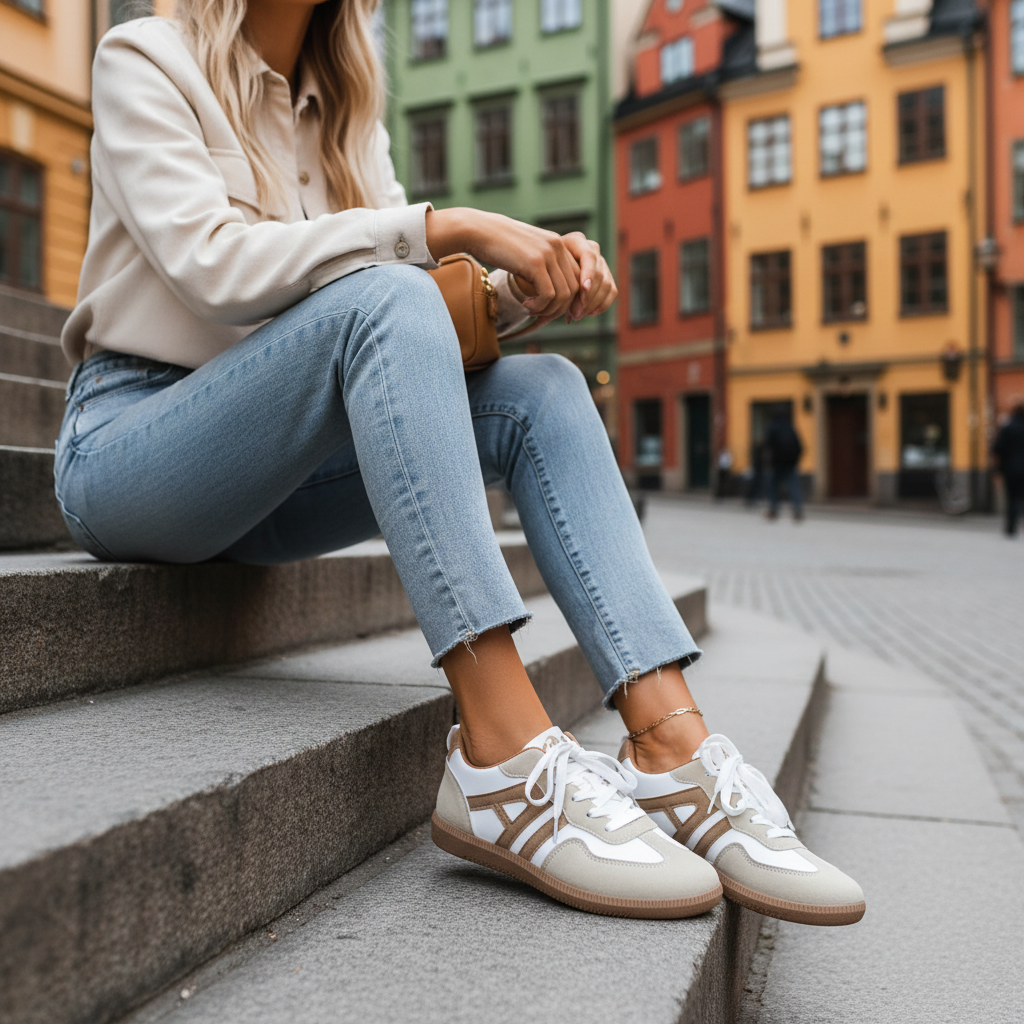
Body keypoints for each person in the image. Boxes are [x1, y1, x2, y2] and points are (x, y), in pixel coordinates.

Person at [56, 0, 862, 925]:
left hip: (276, 475)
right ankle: (503, 763)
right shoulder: (143, 57)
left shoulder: (345, 108)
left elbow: (407, 322)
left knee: (546, 390)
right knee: (385, 298)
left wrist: (515, 295)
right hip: (134, 448)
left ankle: (673, 755)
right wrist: (449, 226)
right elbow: (214, 266)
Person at [764, 412, 804, 521]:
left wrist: (769, 460)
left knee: (773, 486)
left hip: (776, 463)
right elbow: (800, 446)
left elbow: (767, 445)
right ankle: (797, 509)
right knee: (793, 485)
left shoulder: (772, 427)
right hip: (790, 463)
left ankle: (773, 510)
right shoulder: (790, 428)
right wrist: (795, 460)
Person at [992, 404, 1024, 537]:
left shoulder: (1008, 427)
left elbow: (997, 448)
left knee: (1012, 498)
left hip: (1011, 469)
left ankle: (1011, 528)